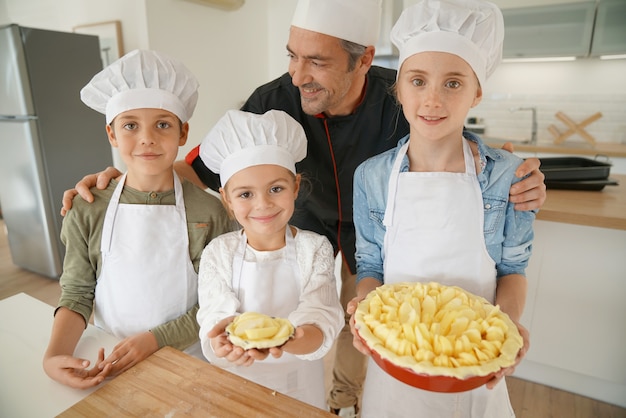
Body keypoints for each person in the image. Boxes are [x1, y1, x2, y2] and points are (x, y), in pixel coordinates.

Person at [60, 0, 546, 414]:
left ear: (364, 60)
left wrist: (512, 176)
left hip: (375, 236)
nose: (298, 75)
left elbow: (446, 133)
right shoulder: (271, 99)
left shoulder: (399, 95)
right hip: (296, 222)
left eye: (317, 61)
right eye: (292, 56)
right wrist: (123, 181)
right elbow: (201, 166)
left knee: (353, 327)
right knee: (303, 319)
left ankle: (343, 400)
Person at [347, 1, 535, 417]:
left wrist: (504, 329)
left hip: (472, 363)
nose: (432, 99)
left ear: (477, 91)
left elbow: (513, 269)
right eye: (418, 81)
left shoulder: (508, 176)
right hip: (393, 363)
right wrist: (364, 311)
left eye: (453, 83)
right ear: (399, 88)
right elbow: (370, 265)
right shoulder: (371, 177)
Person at [43, 49, 232, 390]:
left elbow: (215, 304)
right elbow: (77, 292)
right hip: (109, 361)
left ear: (183, 133)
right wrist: (54, 355)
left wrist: (156, 339)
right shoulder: (87, 208)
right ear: (112, 134)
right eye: (130, 125)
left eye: (163, 124)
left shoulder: (209, 212)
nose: (147, 138)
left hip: (188, 360)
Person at [195, 109, 344, 409]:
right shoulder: (218, 252)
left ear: (296, 187)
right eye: (245, 194)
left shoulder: (315, 249)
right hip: (236, 382)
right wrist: (220, 342)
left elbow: (321, 318)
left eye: (276, 189)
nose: (262, 205)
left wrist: (285, 340)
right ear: (226, 198)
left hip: (300, 386)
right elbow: (213, 316)